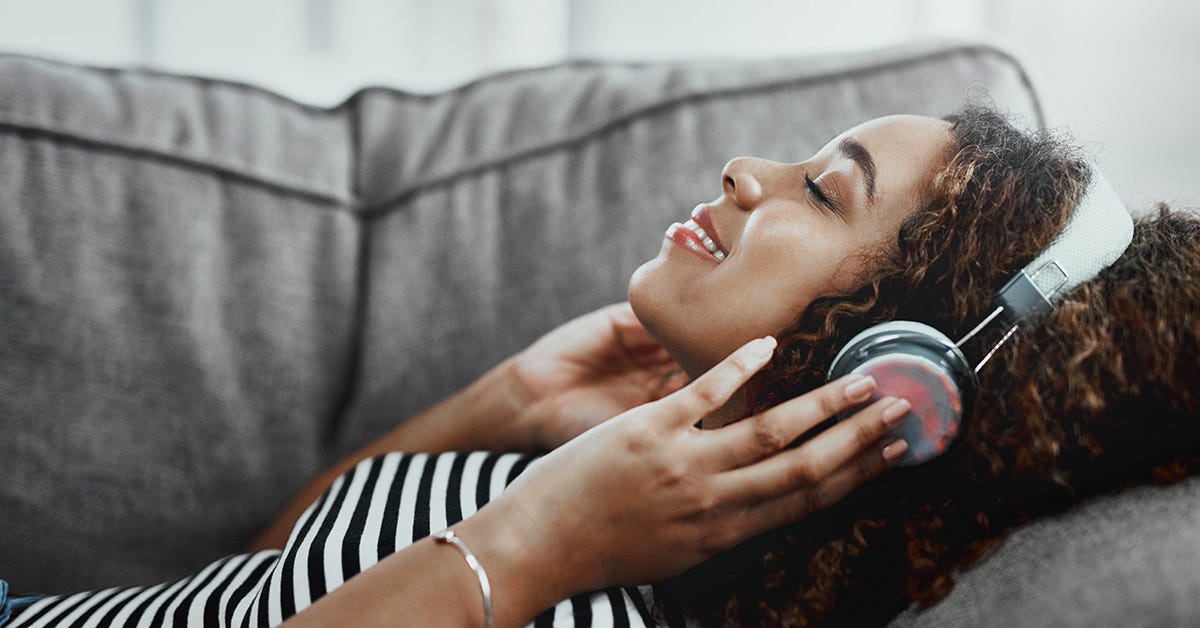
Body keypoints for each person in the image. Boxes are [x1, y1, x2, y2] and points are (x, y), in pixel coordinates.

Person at [3, 104, 1197, 627]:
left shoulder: (591, 559)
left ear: (898, 374)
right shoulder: (602, 481)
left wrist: (540, 542)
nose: (745, 170)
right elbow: (255, 584)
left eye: (823, 189)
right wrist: (510, 403)